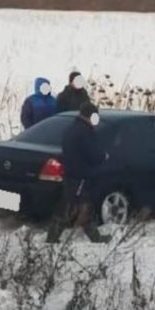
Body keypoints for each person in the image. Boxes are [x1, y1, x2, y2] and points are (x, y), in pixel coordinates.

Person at [48, 101, 109, 243]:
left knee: (83, 206)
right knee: (71, 207)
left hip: (72, 173)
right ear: (90, 116)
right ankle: (52, 237)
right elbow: (92, 154)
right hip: (80, 175)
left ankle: (95, 236)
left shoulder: (72, 129)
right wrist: (103, 156)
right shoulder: (84, 132)